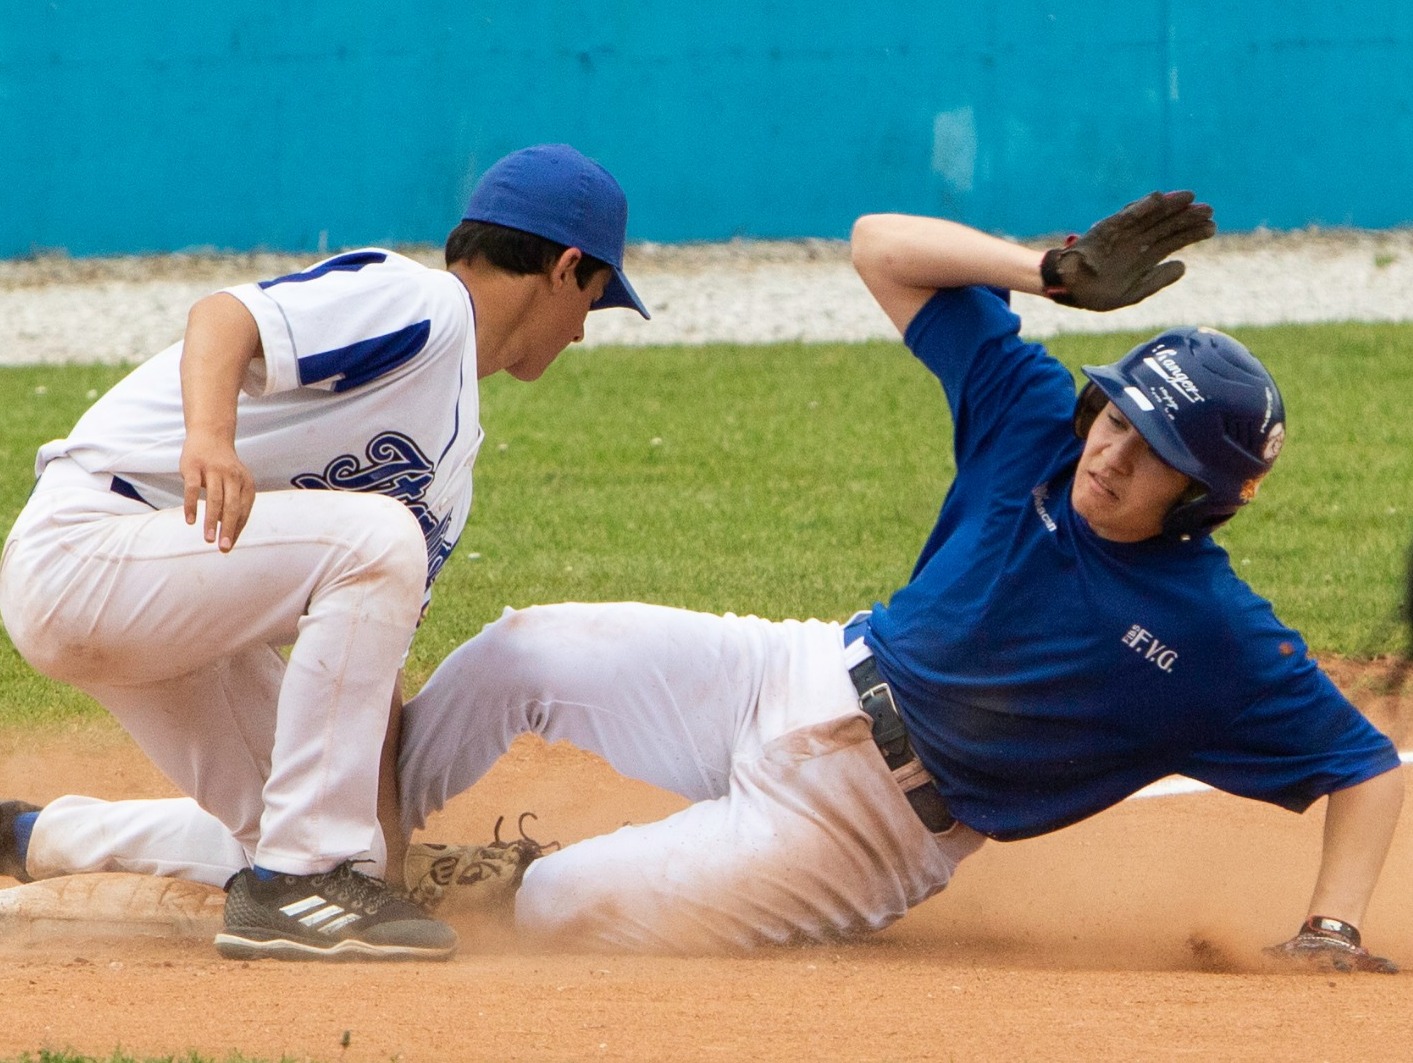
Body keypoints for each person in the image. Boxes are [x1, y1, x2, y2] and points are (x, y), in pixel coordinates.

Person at [3, 191, 1403, 973]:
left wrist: (1332, 920)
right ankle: (307, 855)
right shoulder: (1033, 420)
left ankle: (160, 845)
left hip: (874, 829)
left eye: (1149, 449)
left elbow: (1365, 764)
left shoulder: (1210, 629)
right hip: (791, 666)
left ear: (1204, 492)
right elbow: (876, 245)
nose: (1109, 451)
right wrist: (1043, 271)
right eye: (1115, 415)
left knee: (550, 910)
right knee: (516, 656)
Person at [0, 142, 649, 962]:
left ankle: (27, 835)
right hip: (88, 547)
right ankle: (297, 879)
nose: (585, 329)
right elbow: (223, 317)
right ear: (563, 267)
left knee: (325, 825)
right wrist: (210, 437)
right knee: (380, 545)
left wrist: (380, 854)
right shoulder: (419, 302)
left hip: (170, 599)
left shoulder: (452, 466)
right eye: (595, 296)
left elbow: (364, 676)